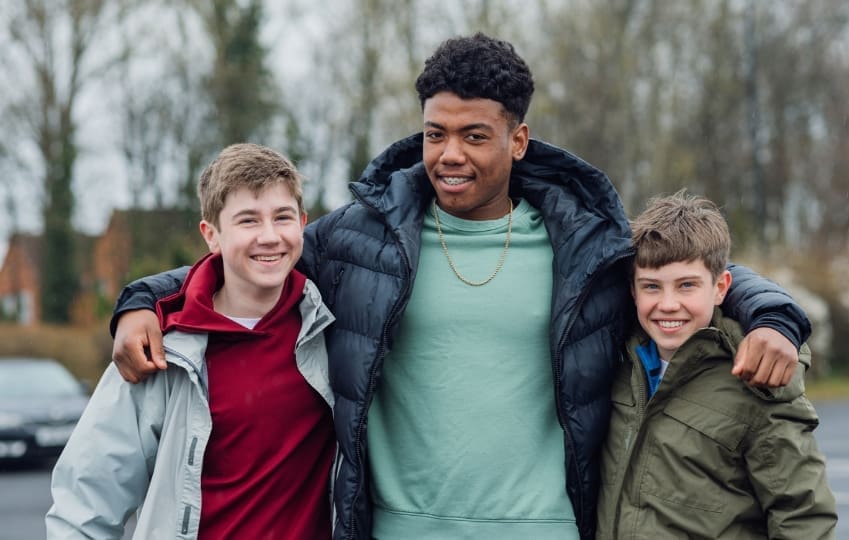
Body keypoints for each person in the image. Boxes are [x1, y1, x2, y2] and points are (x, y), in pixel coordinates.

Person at [109, 34, 812, 539]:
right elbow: (254, 259)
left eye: (475, 136)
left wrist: (774, 316)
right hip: (396, 529)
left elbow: (690, 272)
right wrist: (145, 300)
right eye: (434, 133)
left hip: (546, 528)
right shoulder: (359, 240)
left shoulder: (587, 246)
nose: (449, 154)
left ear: (518, 139)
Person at [47, 144, 337, 539]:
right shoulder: (160, 347)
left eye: (282, 217)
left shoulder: (331, 327)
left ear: (302, 223)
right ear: (211, 235)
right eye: (248, 221)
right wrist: (139, 304)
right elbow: (86, 502)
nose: (269, 236)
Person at [596, 191, 837, 539]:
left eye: (687, 286)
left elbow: (802, 514)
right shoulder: (616, 359)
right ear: (632, 291)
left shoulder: (757, 378)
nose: (668, 304)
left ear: (721, 287)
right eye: (651, 287)